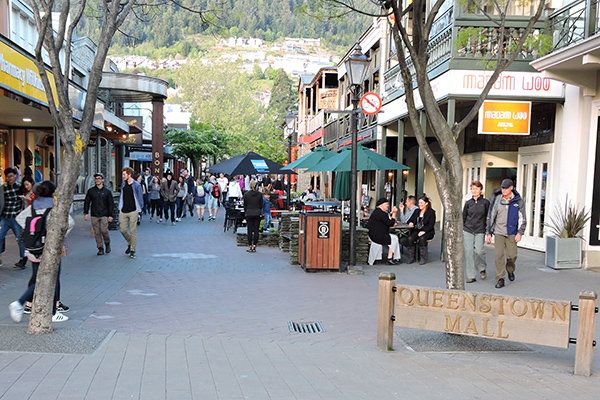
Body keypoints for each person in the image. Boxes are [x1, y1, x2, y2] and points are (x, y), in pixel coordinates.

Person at [9, 180, 73, 323]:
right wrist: (58, 239)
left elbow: (19, 219)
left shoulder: (33, 206)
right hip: (49, 248)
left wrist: (32, 232)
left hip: (33, 248)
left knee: (37, 277)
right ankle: (51, 312)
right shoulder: (55, 207)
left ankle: (24, 304)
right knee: (54, 277)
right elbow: (70, 223)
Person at [486, 178, 527, 289]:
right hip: (498, 232)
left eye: (505, 188)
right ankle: (500, 278)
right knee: (498, 256)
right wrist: (488, 232)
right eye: (502, 188)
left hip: (512, 233)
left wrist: (520, 232)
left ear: (511, 188)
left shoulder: (518, 201)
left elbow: (523, 219)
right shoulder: (497, 199)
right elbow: (491, 215)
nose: (503, 190)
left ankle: (510, 269)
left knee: (512, 256)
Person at [463, 181, 490, 283]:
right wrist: (464, 227)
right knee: (469, 252)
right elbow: (464, 216)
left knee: (479, 251)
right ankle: (471, 275)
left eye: (476, 188)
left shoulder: (485, 203)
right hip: (468, 230)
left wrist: (488, 232)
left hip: (480, 230)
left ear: (480, 190)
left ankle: (482, 268)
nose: (474, 190)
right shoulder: (468, 203)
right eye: (472, 188)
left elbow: (488, 218)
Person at [0, 167, 26, 269]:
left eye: (11, 176)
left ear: (15, 176)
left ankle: (22, 259)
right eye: (7, 177)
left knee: (20, 239)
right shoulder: (3, 188)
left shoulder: (20, 187)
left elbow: (25, 200)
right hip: (5, 218)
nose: (9, 178)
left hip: (16, 218)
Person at [83, 173, 114, 255]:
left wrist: (110, 215)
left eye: (99, 178)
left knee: (104, 230)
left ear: (103, 180)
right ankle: (100, 248)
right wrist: (86, 213)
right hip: (94, 214)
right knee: (97, 232)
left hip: (104, 214)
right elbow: (87, 202)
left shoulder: (107, 192)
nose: (97, 180)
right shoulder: (91, 191)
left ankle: (107, 243)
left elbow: (111, 204)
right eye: (96, 178)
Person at [119, 167, 144, 259]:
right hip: (123, 210)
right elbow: (122, 196)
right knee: (123, 230)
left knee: (133, 231)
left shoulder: (137, 185)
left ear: (129, 174)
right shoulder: (123, 184)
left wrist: (140, 210)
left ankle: (132, 250)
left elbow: (140, 198)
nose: (122, 176)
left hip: (133, 210)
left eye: (124, 174)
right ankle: (130, 242)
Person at [367, 198, 401, 264]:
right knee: (395, 238)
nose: (388, 205)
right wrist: (394, 213)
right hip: (377, 237)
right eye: (386, 204)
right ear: (381, 205)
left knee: (393, 237)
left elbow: (389, 222)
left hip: (374, 235)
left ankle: (390, 257)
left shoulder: (377, 212)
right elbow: (390, 223)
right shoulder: (381, 213)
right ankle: (390, 258)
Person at [406, 196, 436, 265]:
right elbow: (410, 220)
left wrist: (424, 231)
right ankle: (411, 257)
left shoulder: (431, 212)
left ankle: (423, 258)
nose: (419, 204)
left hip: (428, 231)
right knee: (410, 238)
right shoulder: (417, 211)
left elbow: (431, 225)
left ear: (426, 203)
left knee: (422, 238)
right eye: (419, 203)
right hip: (417, 230)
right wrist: (411, 222)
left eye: (421, 203)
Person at [243, 181, 263, 253]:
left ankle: (250, 246)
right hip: (257, 213)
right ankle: (254, 245)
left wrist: (246, 211)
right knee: (256, 230)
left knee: (249, 230)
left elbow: (245, 204)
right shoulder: (260, 194)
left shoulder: (246, 194)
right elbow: (261, 205)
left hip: (249, 213)